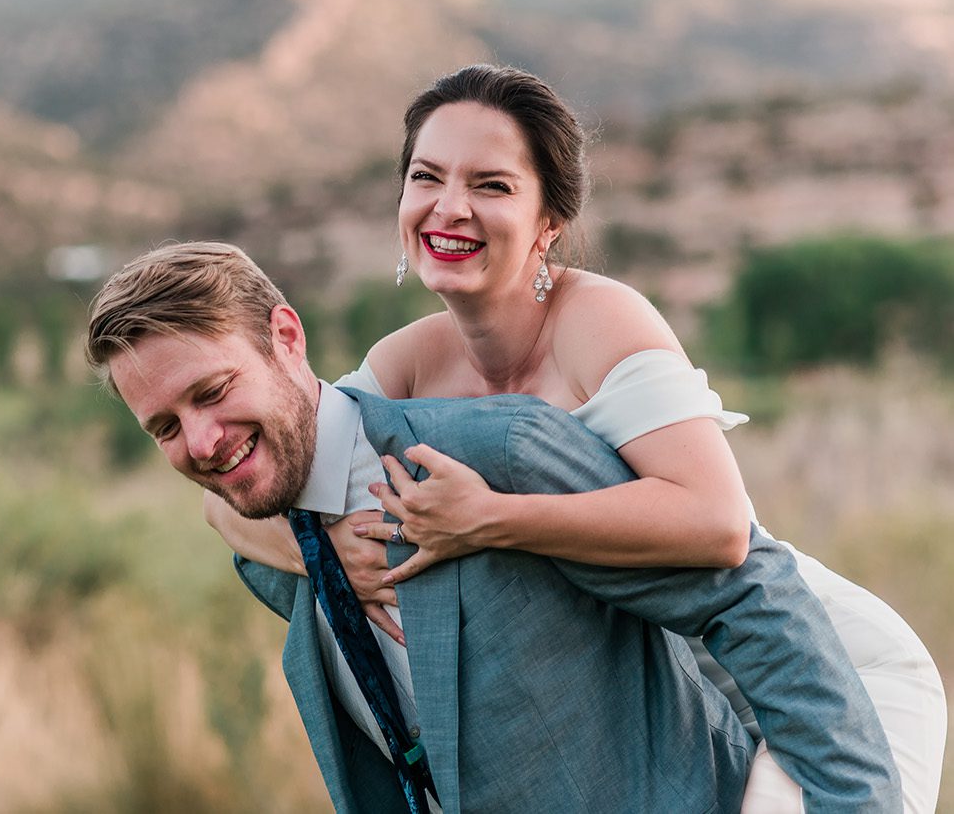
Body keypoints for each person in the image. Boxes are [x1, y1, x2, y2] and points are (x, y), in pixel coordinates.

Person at [205, 65, 947, 812]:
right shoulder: (407, 361)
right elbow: (244, 499)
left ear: (549, 221)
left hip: (818, 665)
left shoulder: (598, 321)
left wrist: (491, 519)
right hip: (667, 685)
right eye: (426, 177)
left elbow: (718, 527)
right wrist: (327, 551)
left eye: (491, 186)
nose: (449, 207)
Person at [84, 241, 901, 813]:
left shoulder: (494, 448)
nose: (200, 441)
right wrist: (314, 548)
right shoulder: (278, 548)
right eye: (163, 427)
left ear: (286, 339)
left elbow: (752, 596)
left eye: (213, 390)